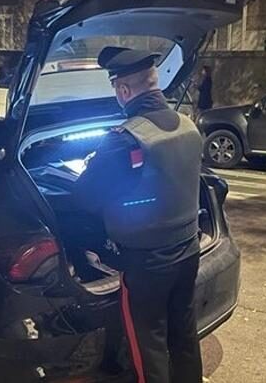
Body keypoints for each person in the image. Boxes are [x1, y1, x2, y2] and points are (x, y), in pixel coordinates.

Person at [73, 46, 204, 383]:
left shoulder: (125, 139)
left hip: (147, 263)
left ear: (123, 90)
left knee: (148, 344)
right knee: (184, 334)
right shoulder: (188, 125)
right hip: (189, 249)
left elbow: (85, 197)